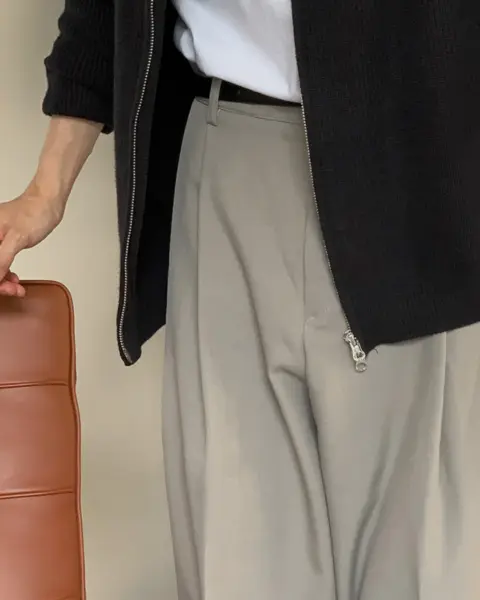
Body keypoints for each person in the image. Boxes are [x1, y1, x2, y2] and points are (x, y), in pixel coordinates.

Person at [2, 1, 480, 598]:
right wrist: (46, 189)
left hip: (418, 162)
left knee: (415, 563)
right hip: (228, 153)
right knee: (237, 552)